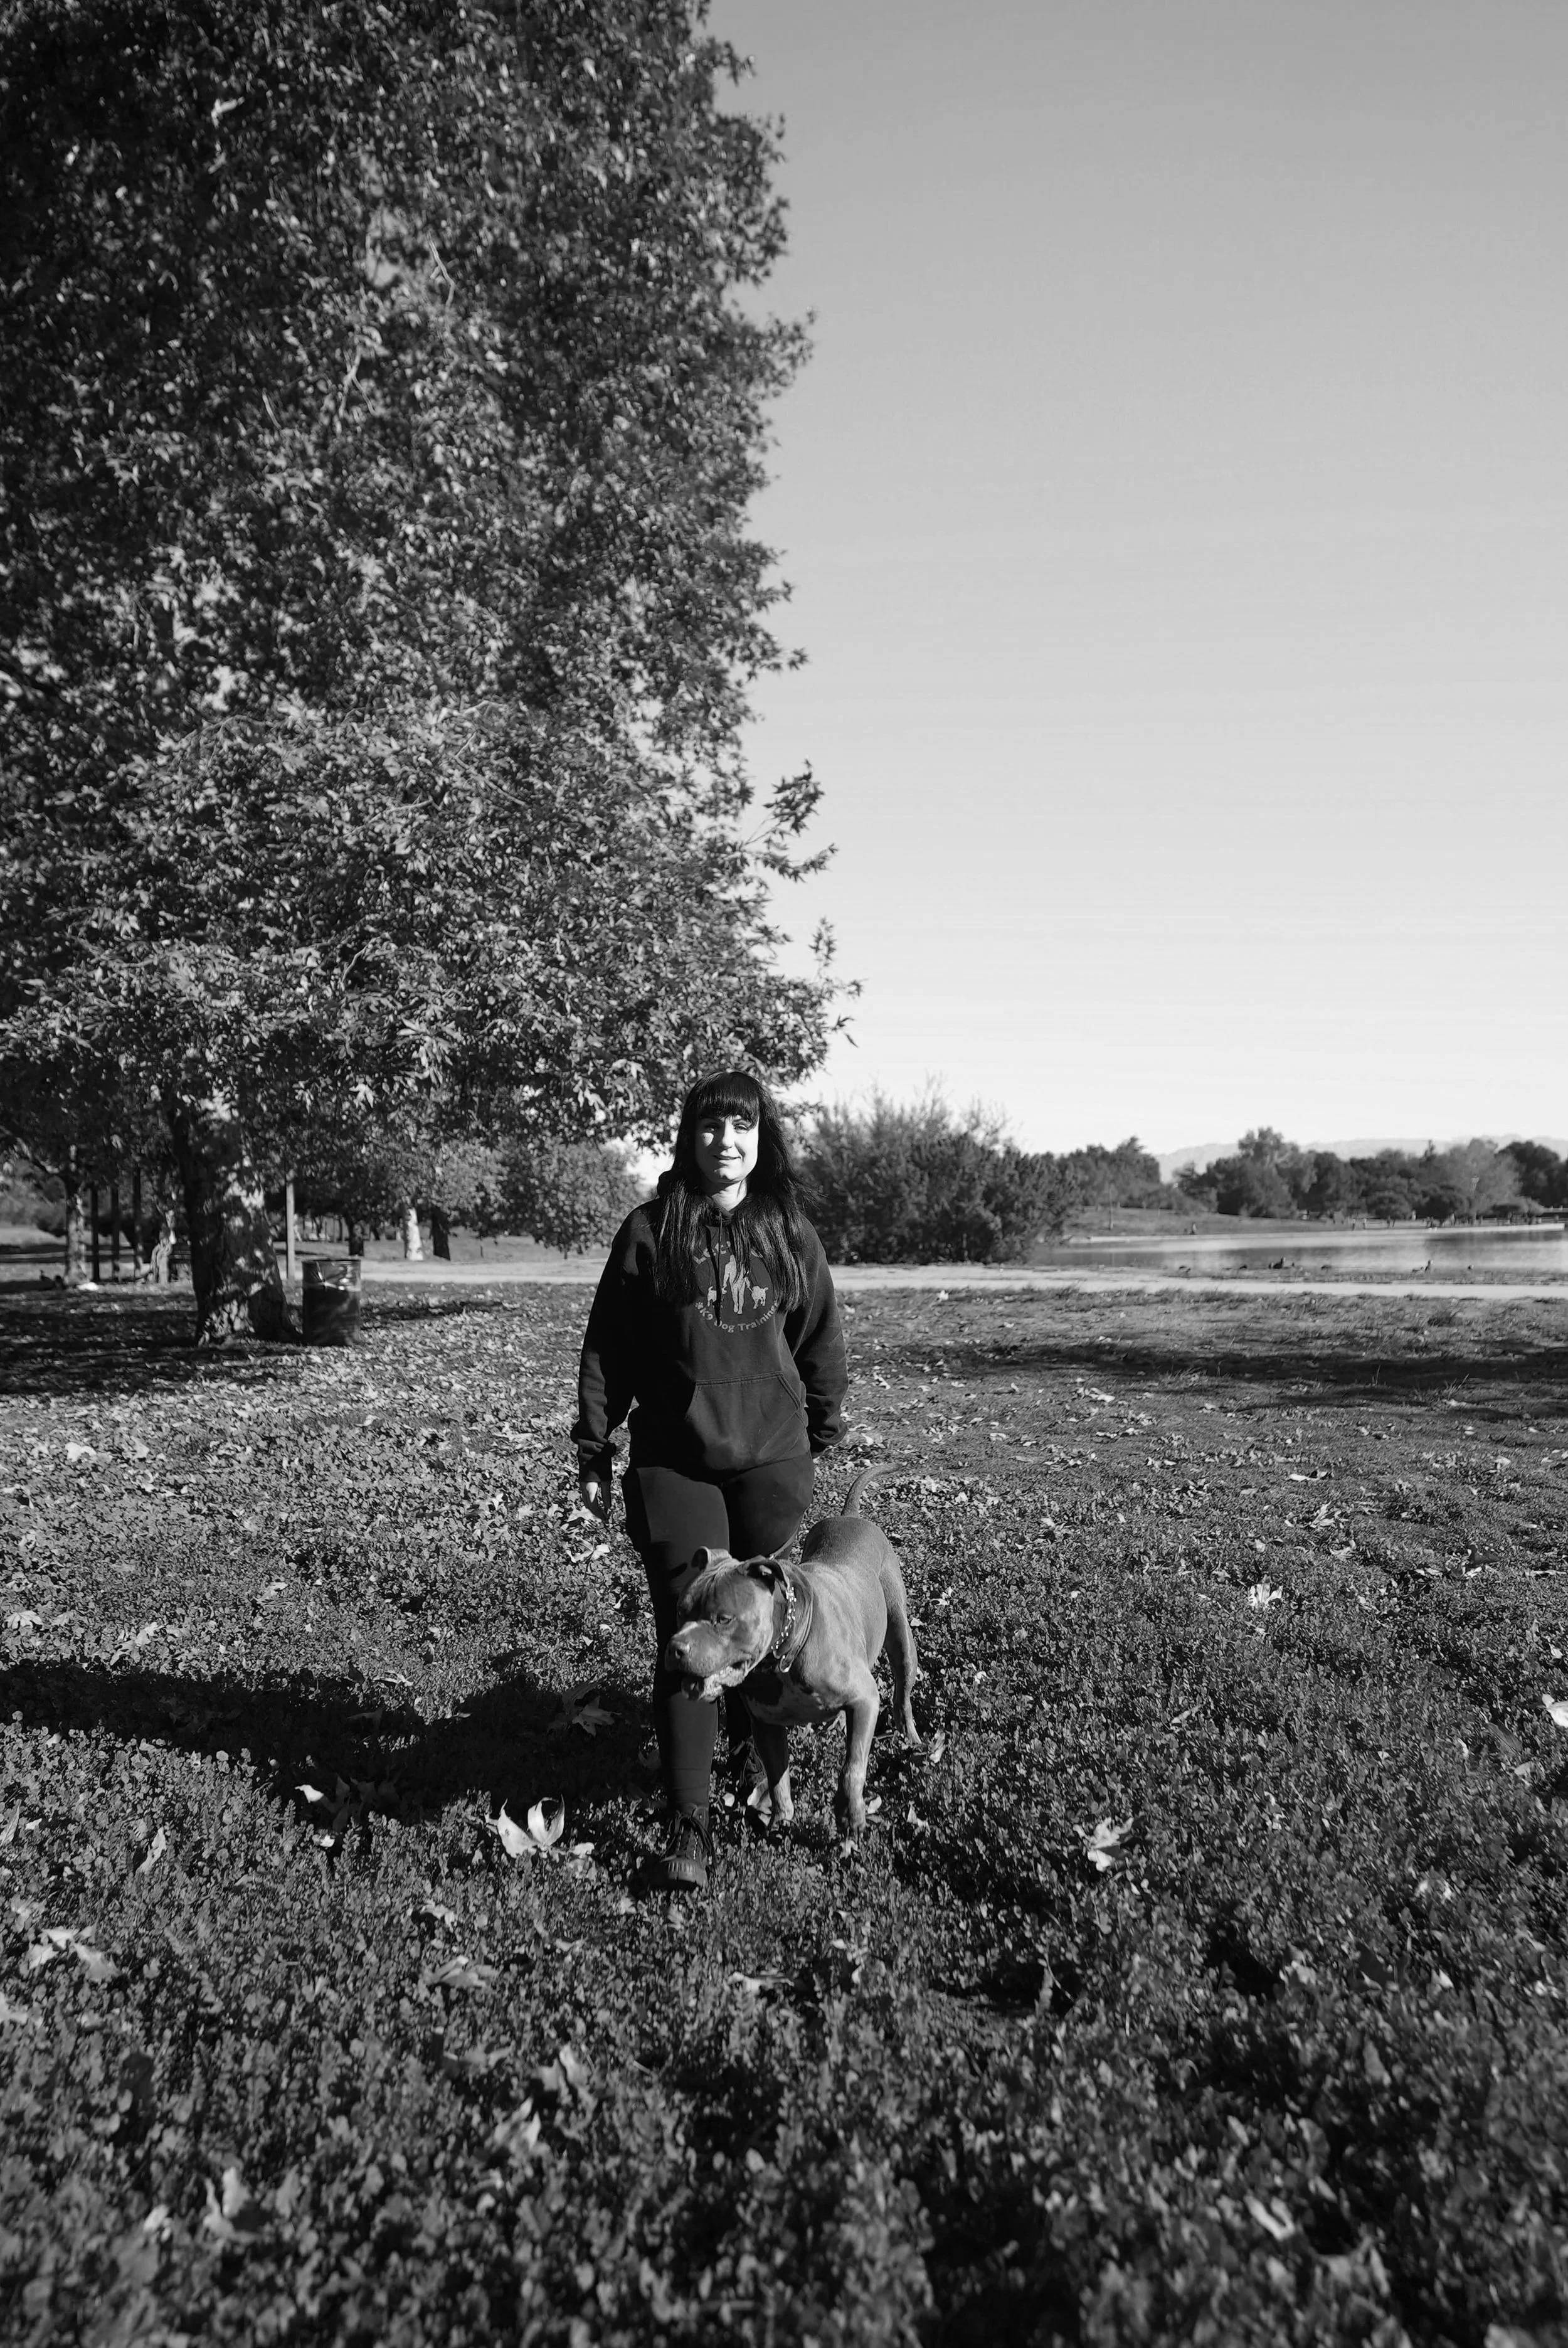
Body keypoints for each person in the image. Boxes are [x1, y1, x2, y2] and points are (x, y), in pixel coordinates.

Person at [573, 1070, 847, 1891]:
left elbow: (820, 1336)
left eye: (741, 1126)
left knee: (754, 1638)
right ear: (688, 1136)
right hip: (673, 1464)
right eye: (709, 1126)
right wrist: (595, 1444)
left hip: (770, 1464)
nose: (724, 1141)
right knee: (692, 1637)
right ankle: (690, 1822)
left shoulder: (788, 1230)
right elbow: (607, 1347)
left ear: (761, 1139)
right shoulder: (650, 1231)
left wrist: (821, 1427)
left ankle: (740, 1762)